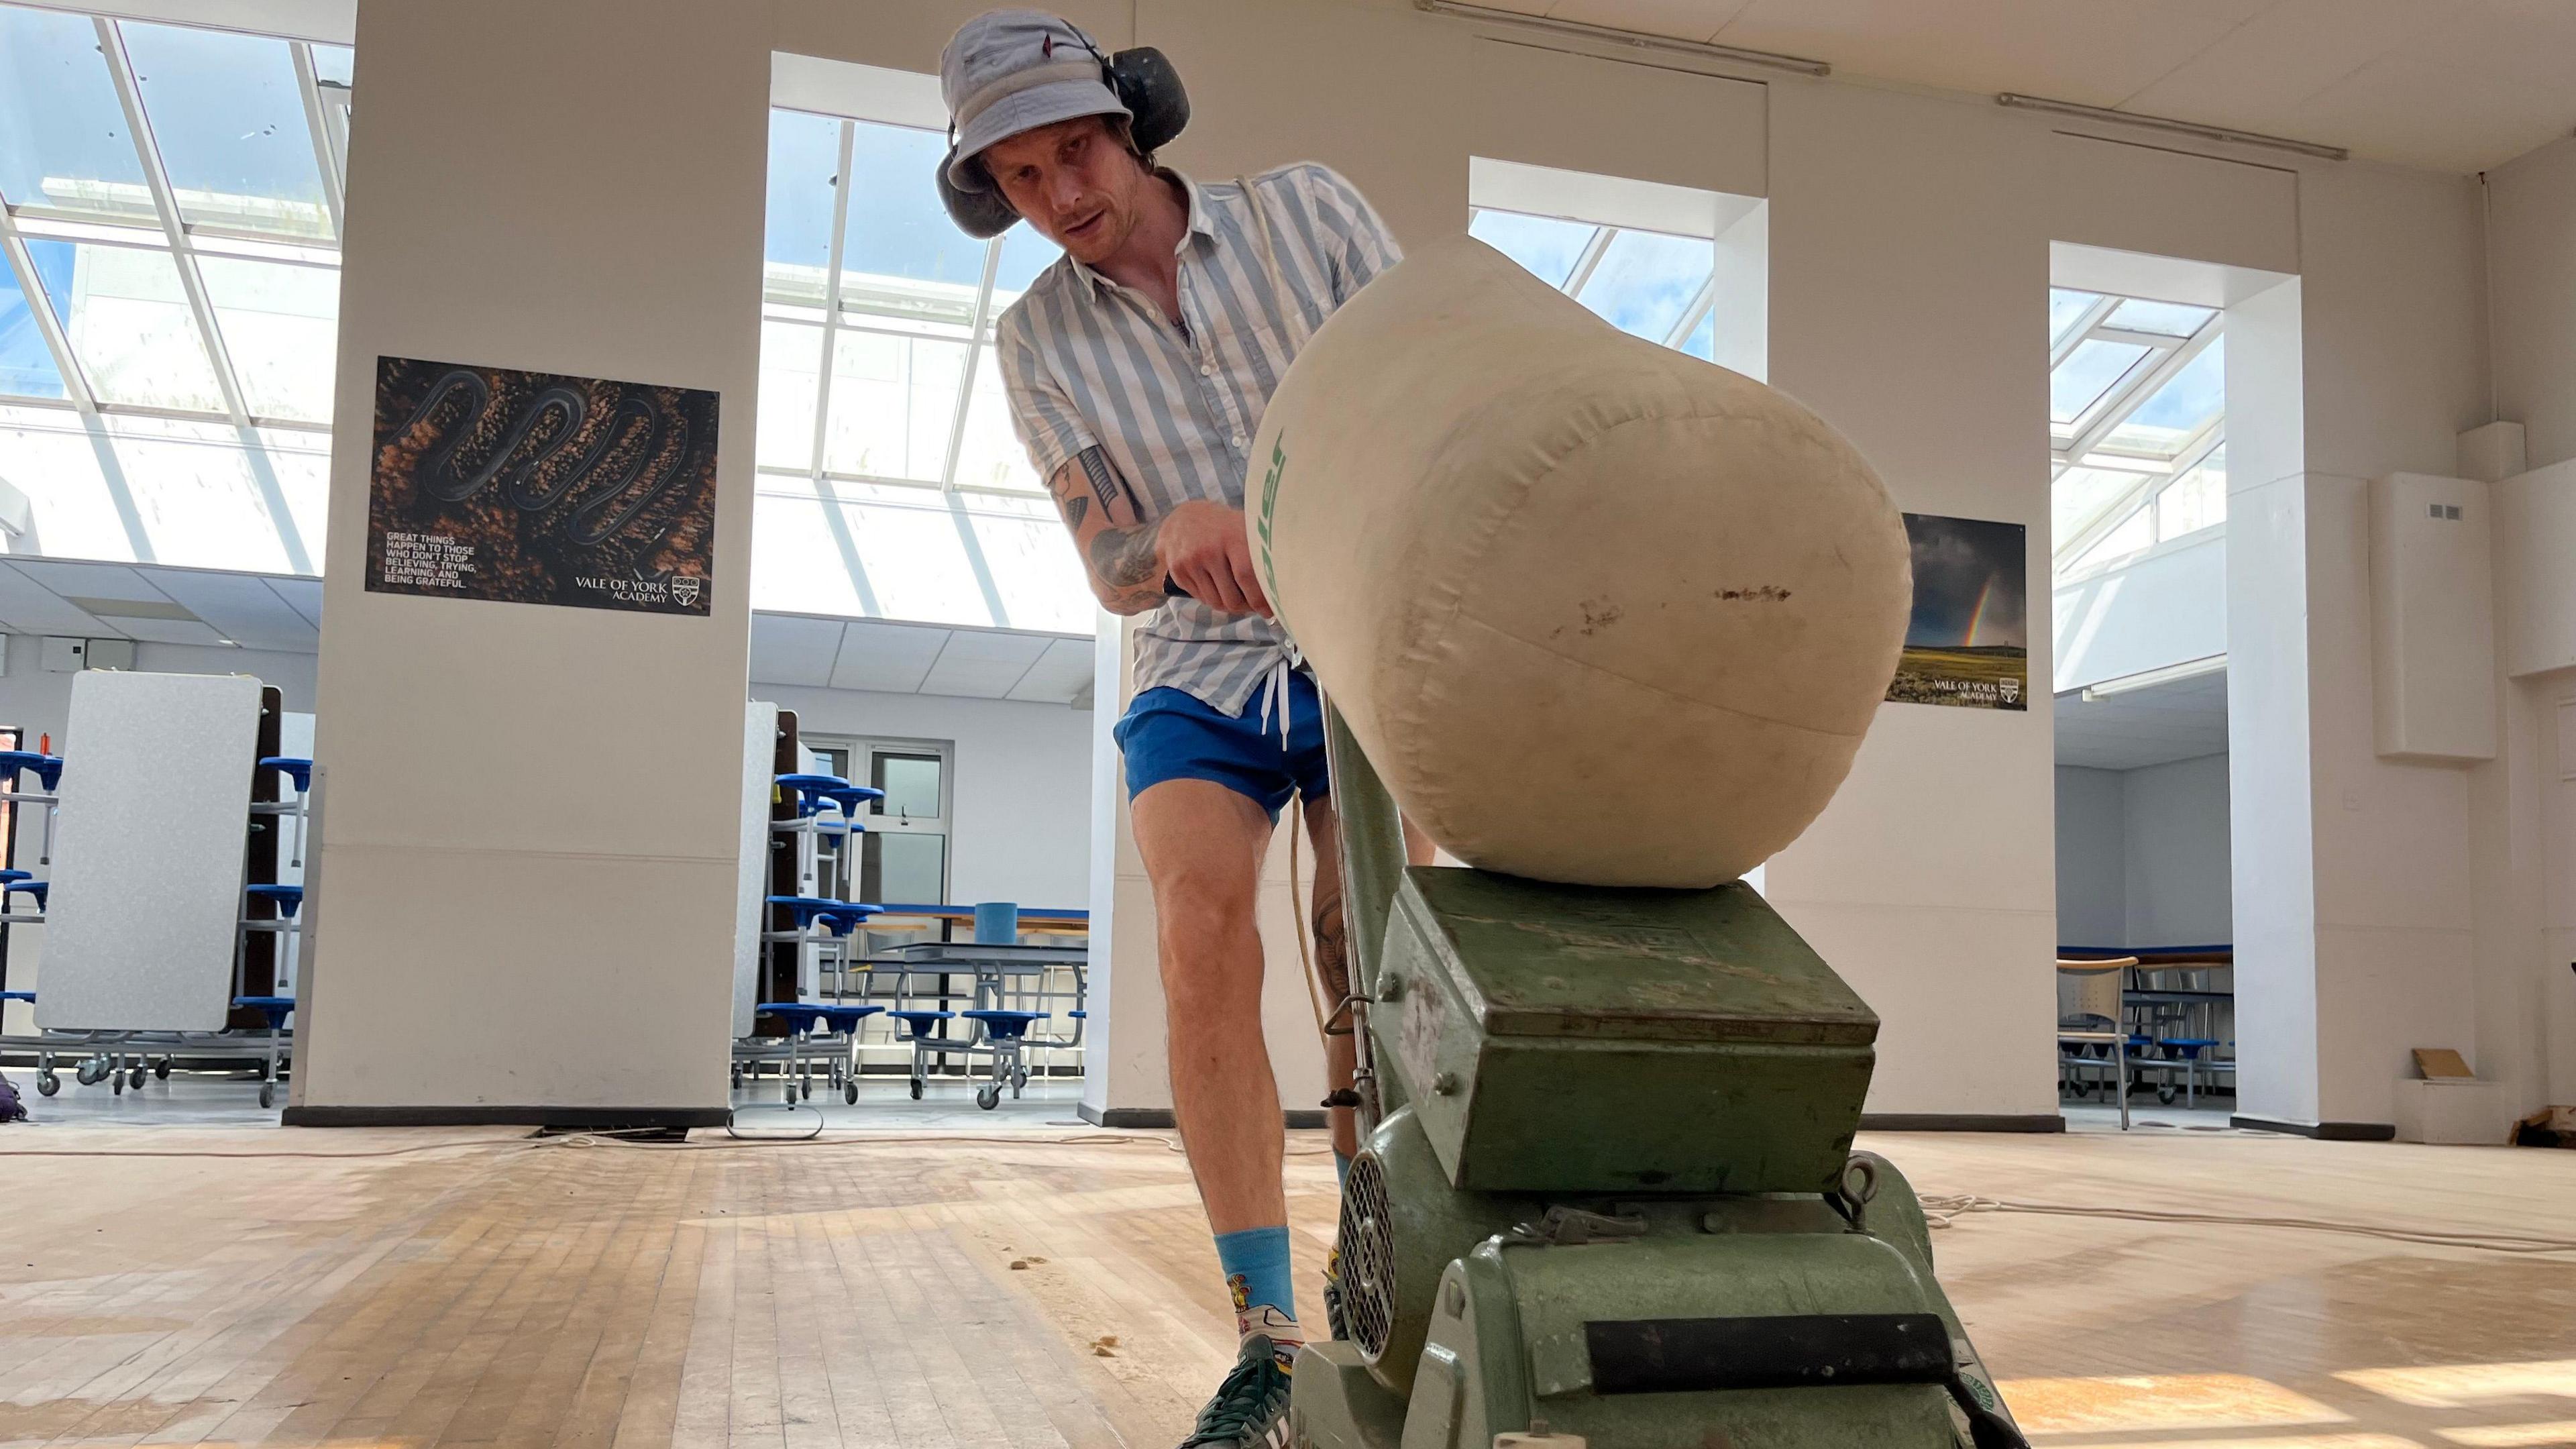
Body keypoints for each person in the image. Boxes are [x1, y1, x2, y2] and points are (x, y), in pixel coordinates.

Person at [938, 11, 1421, 1447]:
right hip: (1196, 665)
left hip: (1358, 635)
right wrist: (1183, 531)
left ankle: (1380, 1279)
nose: (1064, 197)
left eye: (1076, 149)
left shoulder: (1310, 215)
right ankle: (1268, 1340)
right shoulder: (1037, 343)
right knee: (1200, 931)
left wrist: (1313, 529)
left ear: (1132, 117)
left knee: (1368, 934)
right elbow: (1107, 563)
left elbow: (1413, 401)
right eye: (1021, 181)